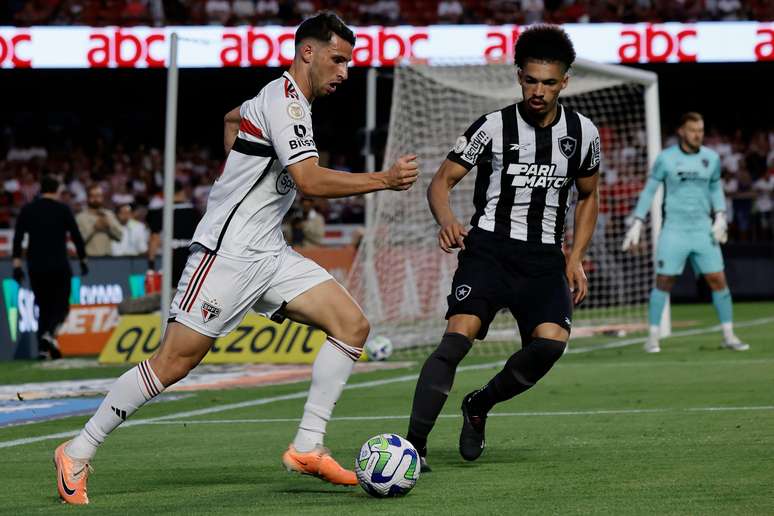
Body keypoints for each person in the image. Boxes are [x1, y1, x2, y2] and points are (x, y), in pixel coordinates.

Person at [53, 12, 418, 505]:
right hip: (225, 254)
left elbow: (231, 118)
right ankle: (77, 451)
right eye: (338, 59)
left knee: (352, 326)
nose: (345, 71)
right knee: (173, 364)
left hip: (267, 251)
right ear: (306, 52)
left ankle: (308, 446)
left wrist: (238, 159)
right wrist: (384, 180)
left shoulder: (281, 102)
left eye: (348, 62)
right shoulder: (285, 103)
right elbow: (309, 181)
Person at [405, 25, 600, 472]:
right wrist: (448, 220)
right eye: (531, 80)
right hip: (489, 251)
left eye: (548, 82)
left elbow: (590, 196)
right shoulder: (492, 126)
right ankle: (414, 448)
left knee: (551, 345)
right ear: (519, 76)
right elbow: (441, 182)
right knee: (456, 340)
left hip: (545, 259)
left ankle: (480, 404)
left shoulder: (583, 133)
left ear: (564, 81)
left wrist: (575, 259)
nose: (538, 90)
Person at [622, 112, 749, 353]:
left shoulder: (711, 158)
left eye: (701, 130)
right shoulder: (666, 159)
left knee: (718, 280)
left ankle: (729, 335)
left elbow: (715, 188)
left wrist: (720, 214)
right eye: (693, 130)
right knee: (664, 281)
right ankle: (652, 337)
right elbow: (650, 190)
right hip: (674, 230)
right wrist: (637, 220)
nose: (697, 135)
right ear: (681, 131)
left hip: (702, 230)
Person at [12, 175, 88, 360]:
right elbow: (76, 235)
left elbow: (18, 237)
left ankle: (44, 348)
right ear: (57, 190)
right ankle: (49, 335)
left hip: (36, 266)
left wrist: (16, 264)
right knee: (61, 306)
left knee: (43, 306)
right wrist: (83, 259)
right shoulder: (63, 209)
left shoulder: (28, 210)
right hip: (59, 265)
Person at [146, 180, 201, 289]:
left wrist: (151, 265)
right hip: (192, 256)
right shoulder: (195, 212)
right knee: (189, 290)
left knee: (171, 291)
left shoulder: (161, 212)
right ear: (181, 192)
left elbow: (154, 239)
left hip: (171, 256)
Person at [76, 184, 124, 256]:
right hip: (89, 258)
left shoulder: (109, 215)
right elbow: (77, 241)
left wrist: (109, 227)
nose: (96, 198)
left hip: (108, 258)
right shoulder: (80, 217)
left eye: (98, 195)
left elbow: (120, 236)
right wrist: (94, 228)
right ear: (87, 198)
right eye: (92, 196)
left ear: (102, 197)